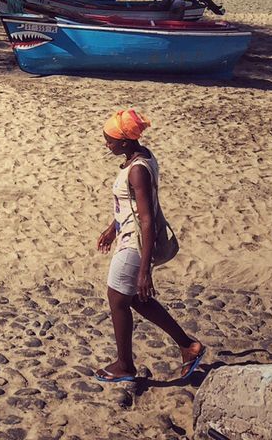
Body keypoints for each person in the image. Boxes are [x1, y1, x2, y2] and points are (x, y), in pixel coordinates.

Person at [95, 109, 204, 384]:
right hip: (128, 236)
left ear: (124, 142)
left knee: (118, 298)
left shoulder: (137, 171)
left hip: (135, 244)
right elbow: (130, 206)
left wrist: (145, 271)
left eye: (110, 140)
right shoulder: (142, 157)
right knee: (134, 298)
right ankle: (188, 347)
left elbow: (146, 219)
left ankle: (124, 365)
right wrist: (112, 228)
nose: (106, 144)